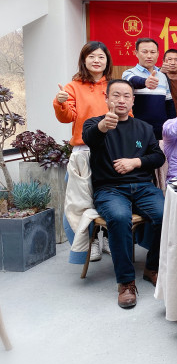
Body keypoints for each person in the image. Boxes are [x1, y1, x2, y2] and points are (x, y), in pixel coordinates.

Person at [82, 79, 166, 309]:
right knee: (119, 218)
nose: (121, 100)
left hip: (143, 187)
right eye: (116, 95)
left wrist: (135, 162)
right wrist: (103, 126)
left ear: (133, 100)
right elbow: (90, 138)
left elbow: (158, 157)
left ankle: (152, 267)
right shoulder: (95, 123)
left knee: (165, 214)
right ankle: (126, 282)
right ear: (106, 98)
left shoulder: (144, 127)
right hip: (109, 189)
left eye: (126, 96)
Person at [53, 41, 115, 261]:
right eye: (92, 56)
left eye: (101, 57)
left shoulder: (113, 85)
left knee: (110, 195)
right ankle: (92, 241)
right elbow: (67, 117)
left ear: (107, 61)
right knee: (83, 200)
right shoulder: (73, 86)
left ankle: (107, 237)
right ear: (84, 60)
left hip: (112, 149)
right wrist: (60, 103)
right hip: (83, 151)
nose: (96, 60)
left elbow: (127, 114)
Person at [121, 38, 176, 140]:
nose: (149, 56)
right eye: (144, 52)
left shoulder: (162, 76)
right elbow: (133, 81)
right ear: (136, 53)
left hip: (160, 132)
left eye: (153, 52)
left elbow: (169, 103)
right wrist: (145, 82)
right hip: (136, 130)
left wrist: (172, 126)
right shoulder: (128, 73)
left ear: (158, 54)